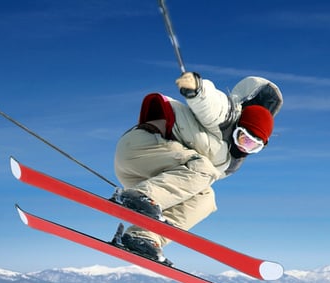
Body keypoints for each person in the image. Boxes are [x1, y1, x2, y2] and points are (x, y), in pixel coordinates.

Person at [111, 71, 283, 263]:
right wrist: (197, 89)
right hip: (142, 147)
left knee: (206, 199)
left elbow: (191, 181)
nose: (244, 147)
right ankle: (141, 197)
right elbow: (210, 103)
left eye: (253, 146)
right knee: (205, 169)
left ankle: (144, 237)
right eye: (242, 137)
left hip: (149, 174)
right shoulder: (227, 116)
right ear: (237, 126)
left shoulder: (230, 161)